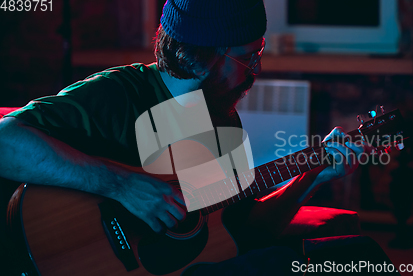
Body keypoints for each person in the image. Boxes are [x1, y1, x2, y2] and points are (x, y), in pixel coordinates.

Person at [0, 0, 365, 274]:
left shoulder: (223, 124)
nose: (256, 71)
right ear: (203, 56)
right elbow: (6, 139)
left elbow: (247, 232)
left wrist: (311, 175)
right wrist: (121, 185)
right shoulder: (116, 94)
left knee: (352, 256)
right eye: (248, 58)